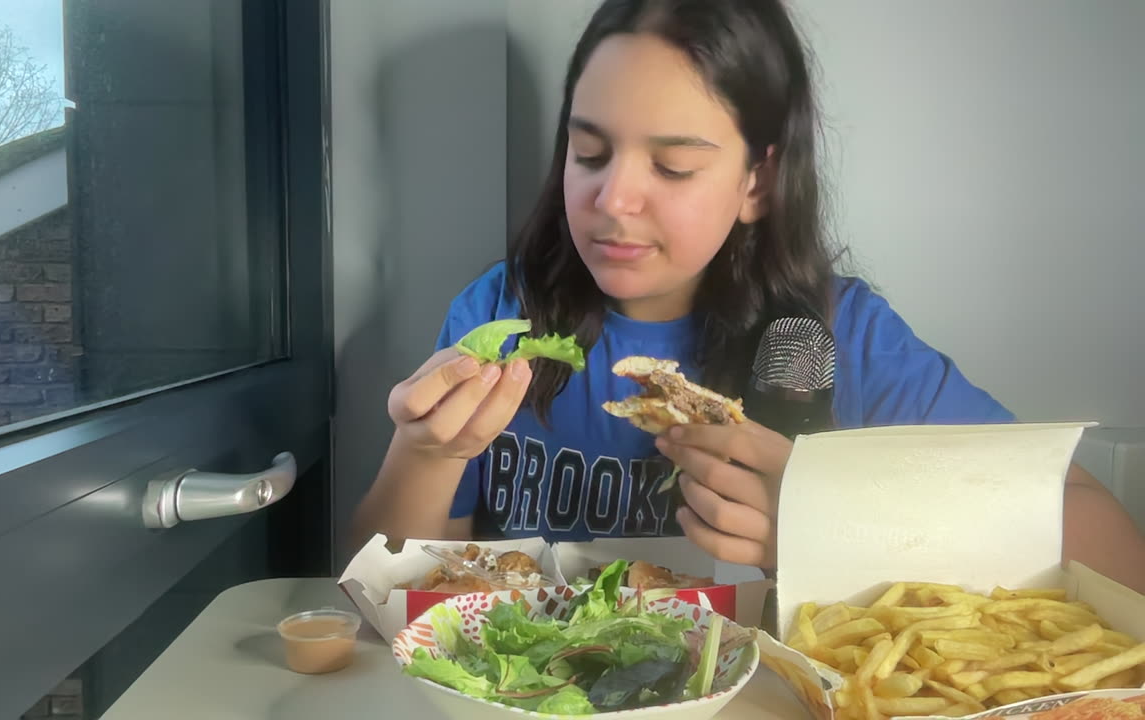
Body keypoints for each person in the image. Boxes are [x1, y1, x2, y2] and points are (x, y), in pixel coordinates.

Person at [352, 0, 1145, 593]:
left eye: (672, 167)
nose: (612, 198)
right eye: (588, 152)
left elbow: (1114, 550)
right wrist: (427, 453)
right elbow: (381, 597)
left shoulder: (841, 337)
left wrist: (829, 521)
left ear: (757, 181)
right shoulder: (501, 315)